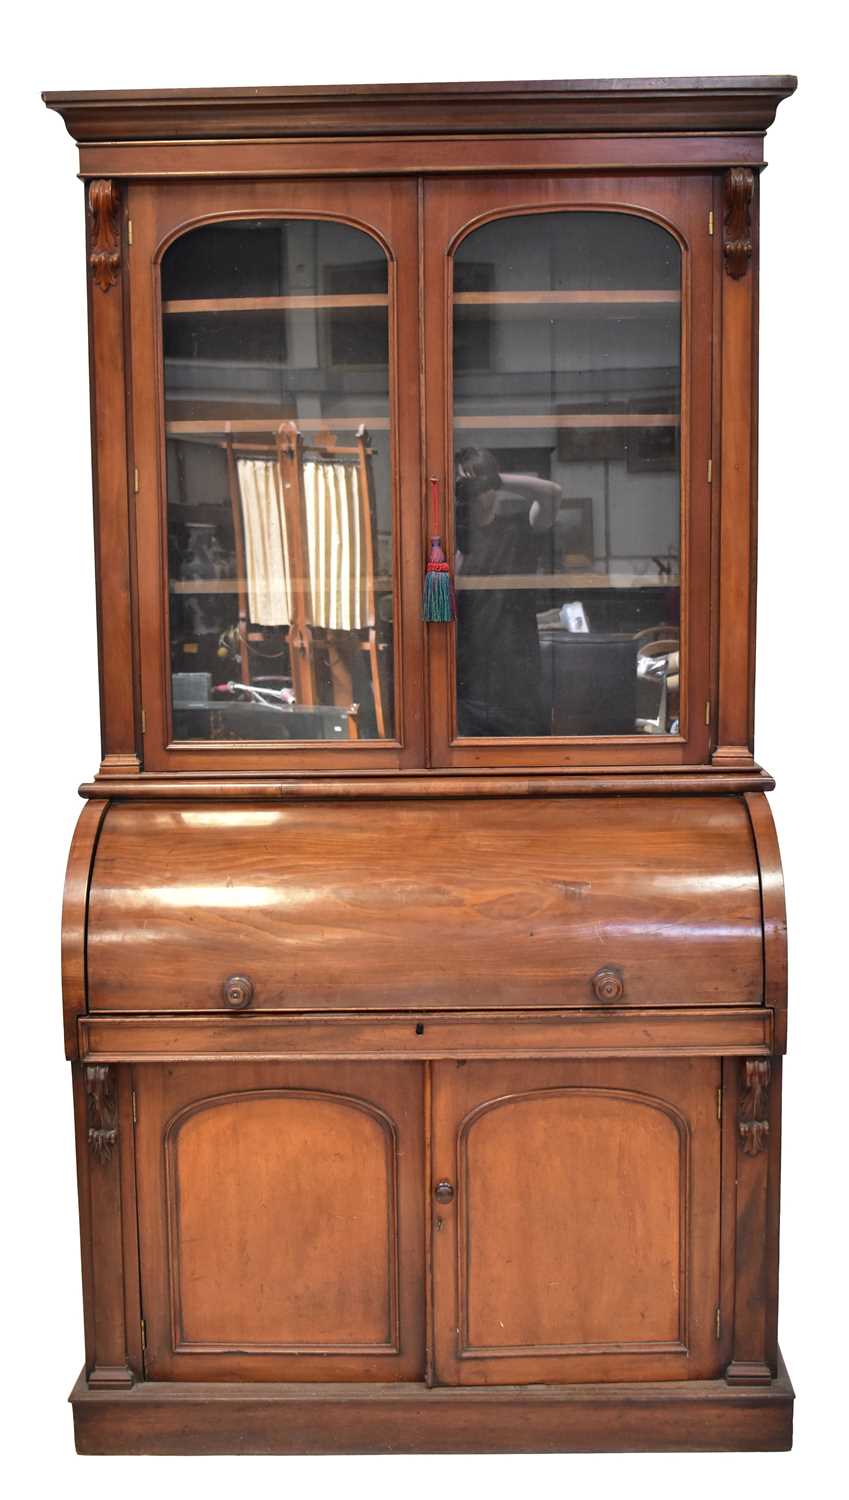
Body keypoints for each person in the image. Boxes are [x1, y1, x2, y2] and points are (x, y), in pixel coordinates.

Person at [454, 446, 561, 736]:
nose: (476, 494)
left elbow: (552, 493)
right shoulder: (448, 541)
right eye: (466, 486)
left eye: (482, 486)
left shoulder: (517, 531)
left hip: (517, 684)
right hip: (466, 687)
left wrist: (493, 479)